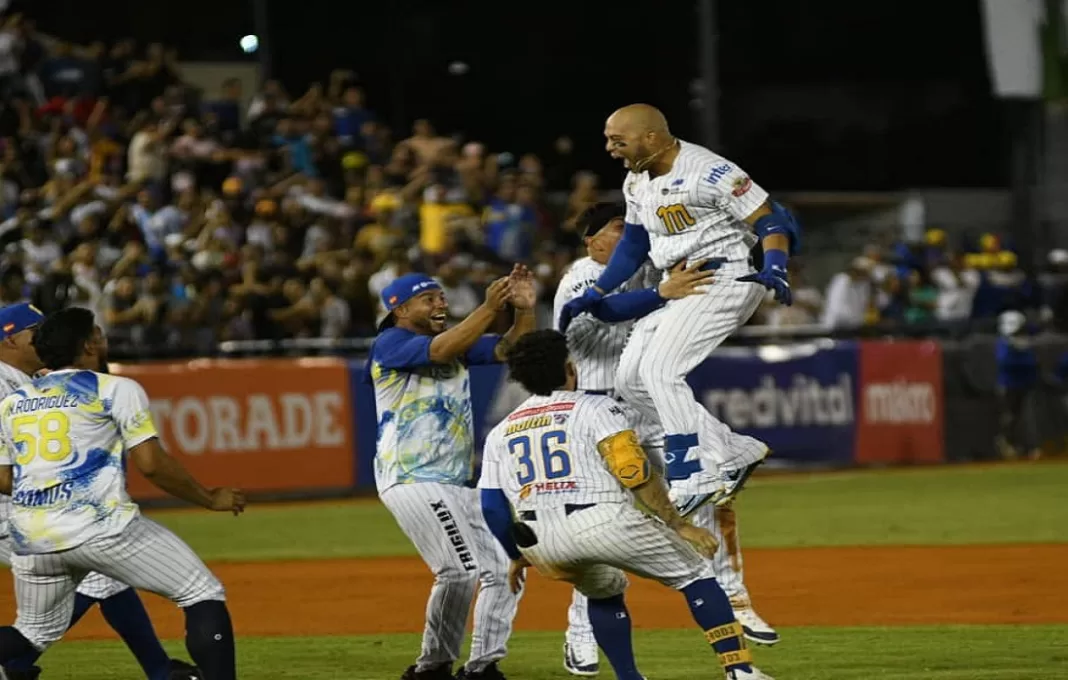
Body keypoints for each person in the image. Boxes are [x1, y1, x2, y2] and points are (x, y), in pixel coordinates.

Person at [552, 205, 779, 676]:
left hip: (647, 410)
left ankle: (735, 599)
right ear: (591, 239)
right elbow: (604, 310)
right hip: (597, 415)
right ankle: (579, 632)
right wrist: (663, 293)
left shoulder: (652, 270)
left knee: (711, 496)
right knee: (598, 528)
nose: (630, 236)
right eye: (619, 229)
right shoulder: (582, 276)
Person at [479, 329, 775, 680]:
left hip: (541, 539)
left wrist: (515, 556)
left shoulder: (502, 431)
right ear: (570, 369)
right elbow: (633, 471)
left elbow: (492, 506)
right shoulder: (596, 407)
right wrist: (679, 524)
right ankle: (739, 670)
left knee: (603, 589)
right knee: (697, 574)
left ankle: (629, 677)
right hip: (600, 517)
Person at [559, 104, 801, 510]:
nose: (610, 149)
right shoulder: (636, 180)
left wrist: (776, 264)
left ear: (651, 137)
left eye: (618, 141)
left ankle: (692, 474)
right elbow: (634, 244)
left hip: (725, 275)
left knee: (659, 371)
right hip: (681, 282)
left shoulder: (709, 170)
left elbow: (770, 220)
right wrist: (598, 289)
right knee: (633, 381)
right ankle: (734, 450)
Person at [0, 307, 244, 680]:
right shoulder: (114, 388)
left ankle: (159, 670)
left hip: (32, 536)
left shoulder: (14, 402)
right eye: (96, 336)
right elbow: (151, 464)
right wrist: (210, 498)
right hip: (96, 526)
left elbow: (5, 476)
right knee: (201, 592)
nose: (102, 341)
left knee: (32, 632)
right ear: (85, 345)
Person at [368, 266, 536, 680]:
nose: (441, 304)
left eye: (442, 297)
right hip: (411, 478)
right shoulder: (390, 342)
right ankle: (433, 666)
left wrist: (524, 311)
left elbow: (510, 350)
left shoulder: (454, 342)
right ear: (401, 309)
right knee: (459, 570)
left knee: (505, 567)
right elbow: (441, 351)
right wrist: (488, 306)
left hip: (458, 483)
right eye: (430, 299)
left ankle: (483, 665)